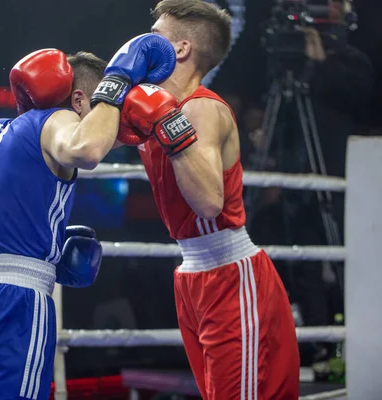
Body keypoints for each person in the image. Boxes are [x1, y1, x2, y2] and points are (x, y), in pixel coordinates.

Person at [0, 35, 176, 399]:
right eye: (103, 108)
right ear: (81, 100)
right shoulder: (59, 118)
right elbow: (86, 148)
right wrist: (117, 82)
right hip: (14, 305)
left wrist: (42, 253)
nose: (112, 122)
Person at [114, 0, 300, 398]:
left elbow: (209, 203)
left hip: (230, 275)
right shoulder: (153, 107)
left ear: (180, 49)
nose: (142, 46)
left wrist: (167, 121)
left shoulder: (199, 108)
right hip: (194, 275)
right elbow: (85, 151)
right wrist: (110, 83)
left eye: (154, 38)